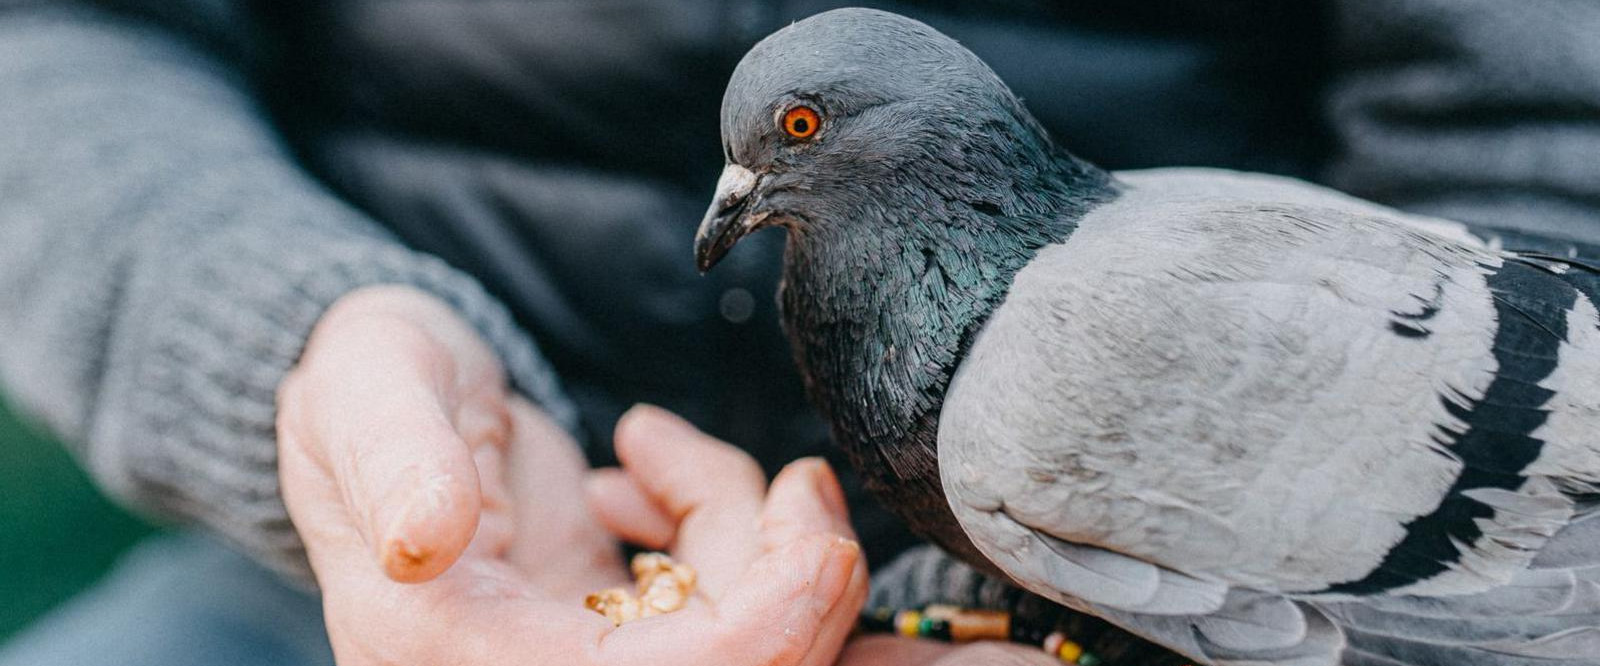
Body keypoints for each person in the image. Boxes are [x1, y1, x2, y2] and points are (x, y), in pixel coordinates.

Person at [2, 0, 1597, 664]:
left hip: (1214, 503)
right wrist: (303, 337)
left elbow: (1535, 111)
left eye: (798, 137)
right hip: (462, 525)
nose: (742, 192)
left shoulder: (1048, 391)